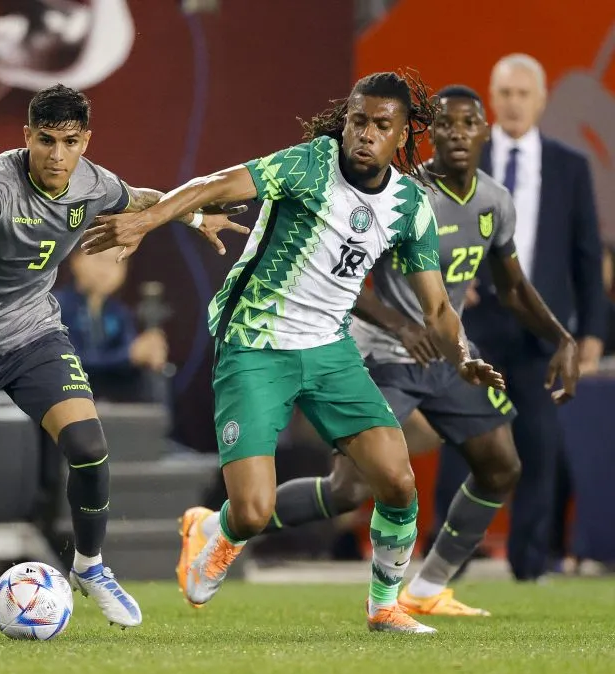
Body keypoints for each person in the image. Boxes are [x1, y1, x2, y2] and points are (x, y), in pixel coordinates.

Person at [84, 72, 507, 633]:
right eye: (358, 120)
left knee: (398, 483)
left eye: (382, 126)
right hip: (255, 342)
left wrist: (461, 353)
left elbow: (437, 308)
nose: (365, 134)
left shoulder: (410, 206)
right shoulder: (309, 164)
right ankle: (211, 530)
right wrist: (145, 221)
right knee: (253, 513)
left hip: (330, 350)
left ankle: (384, 605)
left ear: (404, 135)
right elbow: (215, 184)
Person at [187, 85, 580, 616]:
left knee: (497, 464)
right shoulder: (376, 183)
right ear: (428, 133)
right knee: (350, 489)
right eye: (445, 124)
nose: (456, 135)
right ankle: (222, 524)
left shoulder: (488, 200)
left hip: (443, 352)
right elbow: (342, 273)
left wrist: (553, 337)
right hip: (377, 353)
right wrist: (398, 322)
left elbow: (499, 289)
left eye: (468, 124)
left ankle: (421, 590)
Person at [0, 83, 244, 635]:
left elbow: (141, 198)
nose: (57, 155)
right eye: (46, 140)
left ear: (85, 141)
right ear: (26, 135)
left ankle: (89, 565)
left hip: (32, 336)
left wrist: (194, 220)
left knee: (88, 446)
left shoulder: (92, 181)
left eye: (70, 142)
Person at [453, 54, 607, 582]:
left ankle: (529, 564)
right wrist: (454, 278)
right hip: (476, 329)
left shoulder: (569, 166)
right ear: (491, 99)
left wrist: (590, 332)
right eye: (505, 93)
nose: (514, 102)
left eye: (524, 93)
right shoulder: (465, 160)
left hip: (541, 329)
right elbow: (429, 235)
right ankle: (448, 559)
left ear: (541, 99)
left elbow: (587, 255)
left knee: (539, 447)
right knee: (463, 442)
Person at [54, 249, 169, 402]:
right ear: (76, 260)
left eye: (117, 261)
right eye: (100, 258)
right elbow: (64, 363)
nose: (107, 269)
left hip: (112, 403)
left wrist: (148, 354)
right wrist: (130, 355)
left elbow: (130, 360)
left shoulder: (120, 313)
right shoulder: (55, 306)